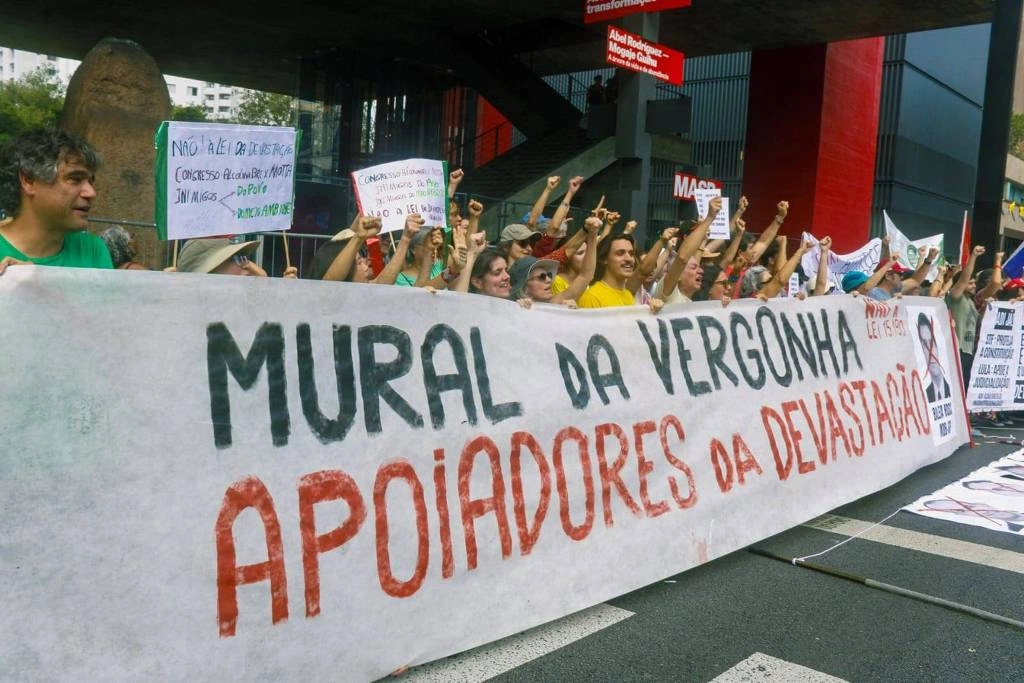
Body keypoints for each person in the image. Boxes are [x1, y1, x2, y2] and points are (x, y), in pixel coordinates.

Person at [0, 128, 112, 273]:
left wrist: (42, 286)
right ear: (29, 180)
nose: (91, 193)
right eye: (75, 179)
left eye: (91, 182)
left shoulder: (93, 250)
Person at [510, 215, 600, 305]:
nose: (549, 280)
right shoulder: (512, 308)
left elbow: (586, 276)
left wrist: (592, 233)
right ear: (524, 288)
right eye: (541, 277)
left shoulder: (556, 303)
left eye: (549, 275)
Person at [916, 312, 950, 402]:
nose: (930, 352)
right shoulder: (923, 397)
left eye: (932, 343)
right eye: (924, 344)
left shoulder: (954, 389)